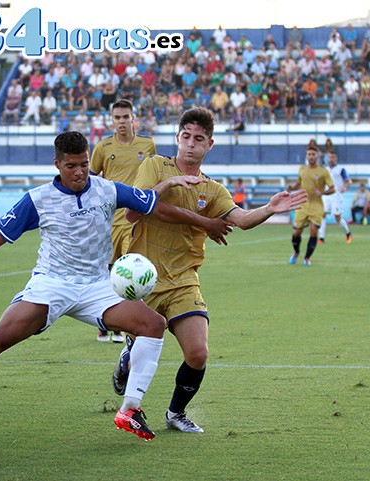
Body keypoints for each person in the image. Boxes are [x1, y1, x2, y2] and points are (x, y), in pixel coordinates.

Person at [0, 131, 215, 441]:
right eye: (71, 165)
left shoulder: (107, 189)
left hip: (97, 286)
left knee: (152, 325)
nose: (79, 172)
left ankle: (130, 408)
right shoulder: (38, 199)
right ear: (57, 164)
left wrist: (200, 217)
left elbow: (151, 204)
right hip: (51, 284)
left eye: (84, 164)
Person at [110, 108, 307, 434]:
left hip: (184, 279)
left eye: (198, 139)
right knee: (138, 358)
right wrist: (181, 195)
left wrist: (269, 209)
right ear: (177, 138)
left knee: (198, 353)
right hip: (144, 279)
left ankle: (176, 413)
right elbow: (139, 209)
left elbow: (240, 220)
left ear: (209, 144)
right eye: (185, 137)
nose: (190, 145)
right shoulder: (155, 166)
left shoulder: (213, 190)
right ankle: (127, 358)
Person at [89, 99, 157, 343]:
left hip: (137, 220)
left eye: (125, 117)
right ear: (111, 120)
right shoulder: (103, 147)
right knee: (107, 272)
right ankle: (104, 323)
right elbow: (91, 181)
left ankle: (128, 327)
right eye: (117, 117)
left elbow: (155, 175)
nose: (121, 121)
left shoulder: (148, 145)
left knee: (131, 273)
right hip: (109, 221)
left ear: (133, 118)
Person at [287, 144, 335, 266]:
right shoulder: (302, 169)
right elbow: (299, 183)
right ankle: (296, 252)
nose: (311, 156)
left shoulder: (323, 172)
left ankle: (307, 258)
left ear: (317, 156)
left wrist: (322, 192)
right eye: (309, 154)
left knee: (313, 231)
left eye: (313, 154)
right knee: (296, 232)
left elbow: (332, 188)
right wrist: (293, 187)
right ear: (306, 156)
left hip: (316, 205)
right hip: (302, 204)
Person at [318, 151, 353, 244]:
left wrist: (344, 187)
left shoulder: (340, 169)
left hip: (336, 195)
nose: (331, 159)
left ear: (336, 158)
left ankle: (348, 233)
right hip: (327, 195)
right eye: (330, 157)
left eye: (333, 157)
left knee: (337, 217)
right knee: (322, 214)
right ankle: (321, 238)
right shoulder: (325, 169)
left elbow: (349, 181)